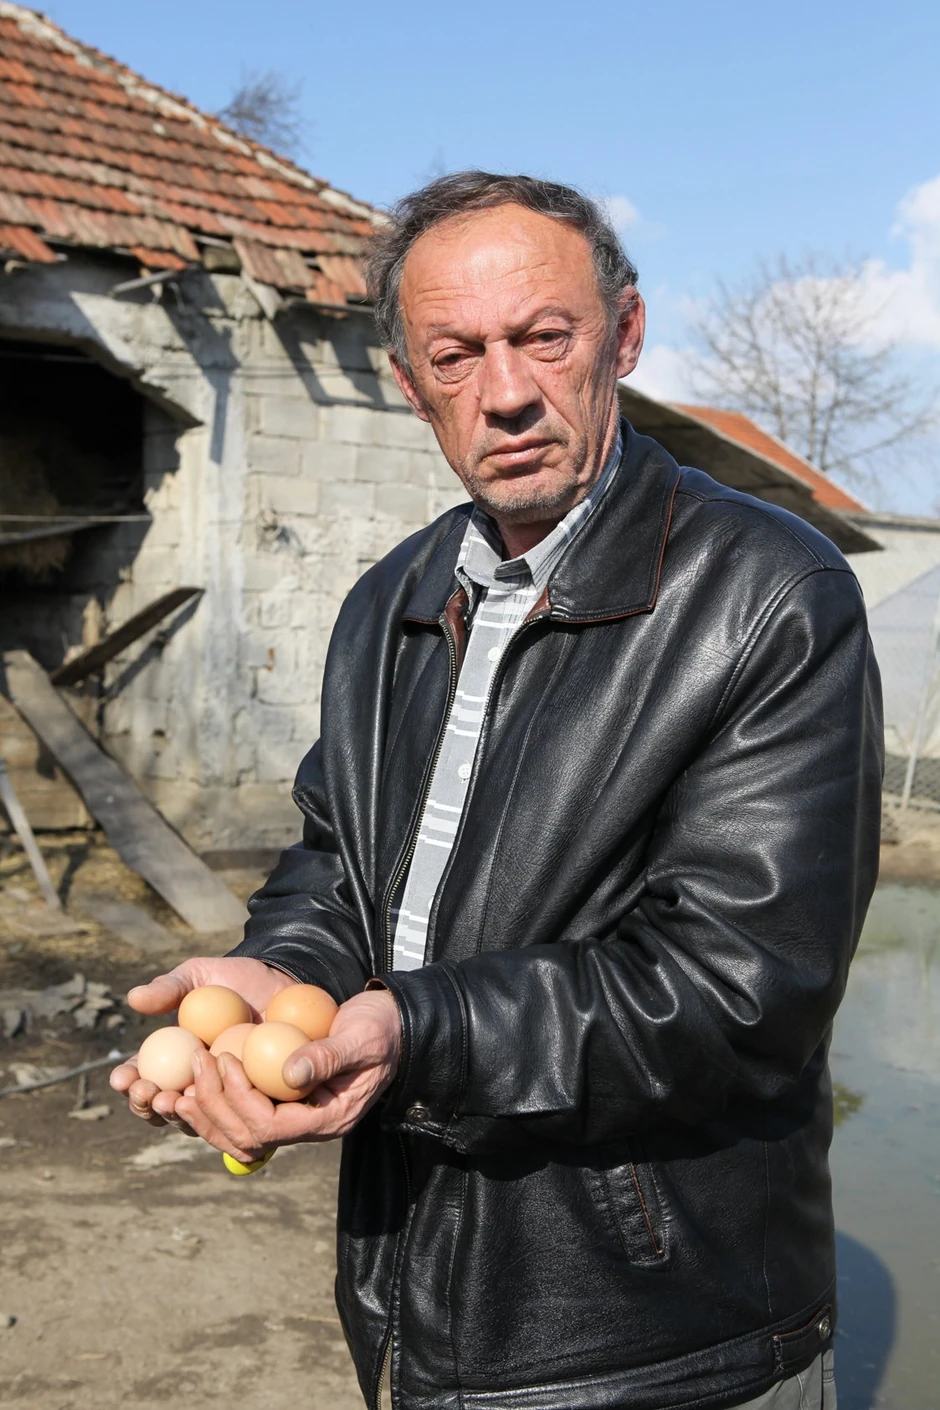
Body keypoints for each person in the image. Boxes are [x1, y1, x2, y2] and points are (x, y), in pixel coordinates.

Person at [112, 171, 882, 1410]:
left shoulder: (766, 597)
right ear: (409, 383)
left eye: (544, 338)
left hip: (656, 1340)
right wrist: (284, 971)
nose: (507, 391)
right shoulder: (391, 603)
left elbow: (745, 991)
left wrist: (417, 1032)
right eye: (456, 355)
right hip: (410, 1300)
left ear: (623, 338)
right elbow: (339, 862)